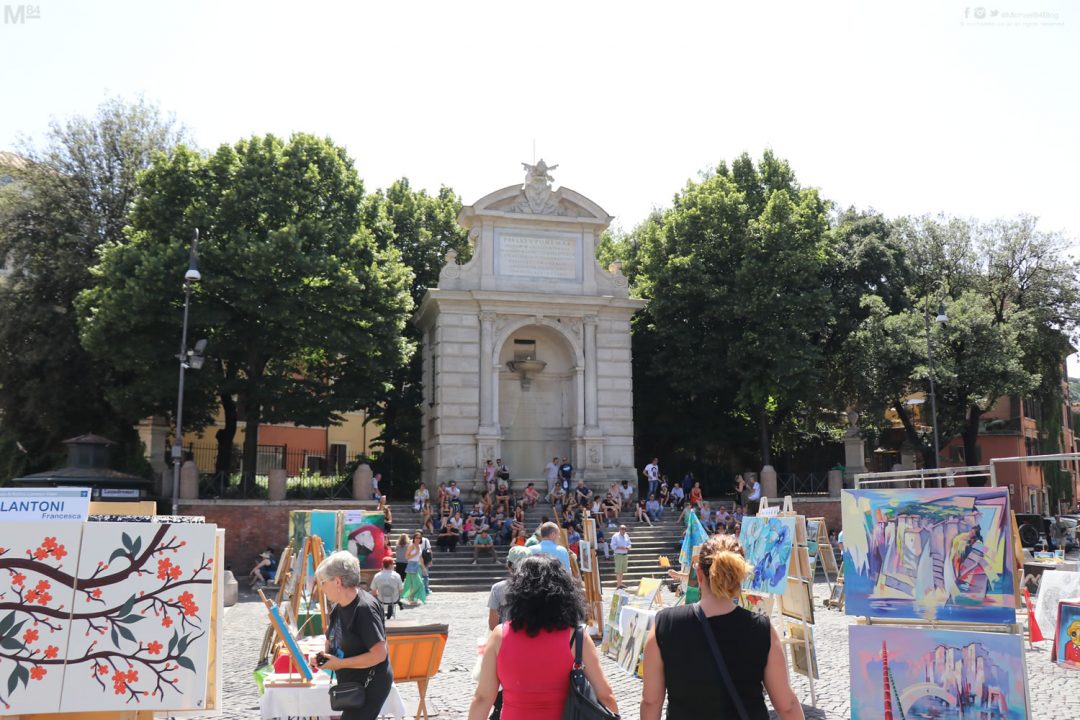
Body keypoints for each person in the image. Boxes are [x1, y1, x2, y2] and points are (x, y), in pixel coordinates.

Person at [639, 534, 803, 720]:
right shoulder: (761, 629)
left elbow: (651, 701)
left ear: (699, 575)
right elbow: (786, 705)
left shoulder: (664, 624)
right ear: (739, 577)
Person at [468, 555, 619, 720]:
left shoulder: (499, 635)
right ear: (564, 594)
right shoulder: (576, 637)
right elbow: (605, 695)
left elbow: (483, 698)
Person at [314, 551, 393, 720]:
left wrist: (340, 663)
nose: (321, 588)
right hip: (353, 684)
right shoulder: (338, 607)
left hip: (369, 686)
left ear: (337, 582)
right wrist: (323, 658)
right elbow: (332, 639)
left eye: (322, 582)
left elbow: (379, 654)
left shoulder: (364, 609)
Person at [402, 534, 428, 605]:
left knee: (415, 584)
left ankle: (412, 599)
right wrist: (415, 553)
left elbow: (420, 558)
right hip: (411, 566)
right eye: (416, 538)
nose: (418, 539)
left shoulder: (419, 546)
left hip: (417, 566)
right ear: (414, 538)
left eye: (419, 538)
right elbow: (406, 557)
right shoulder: (411, 546)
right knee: (419, 583)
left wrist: (423, 568)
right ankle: (409, 597)